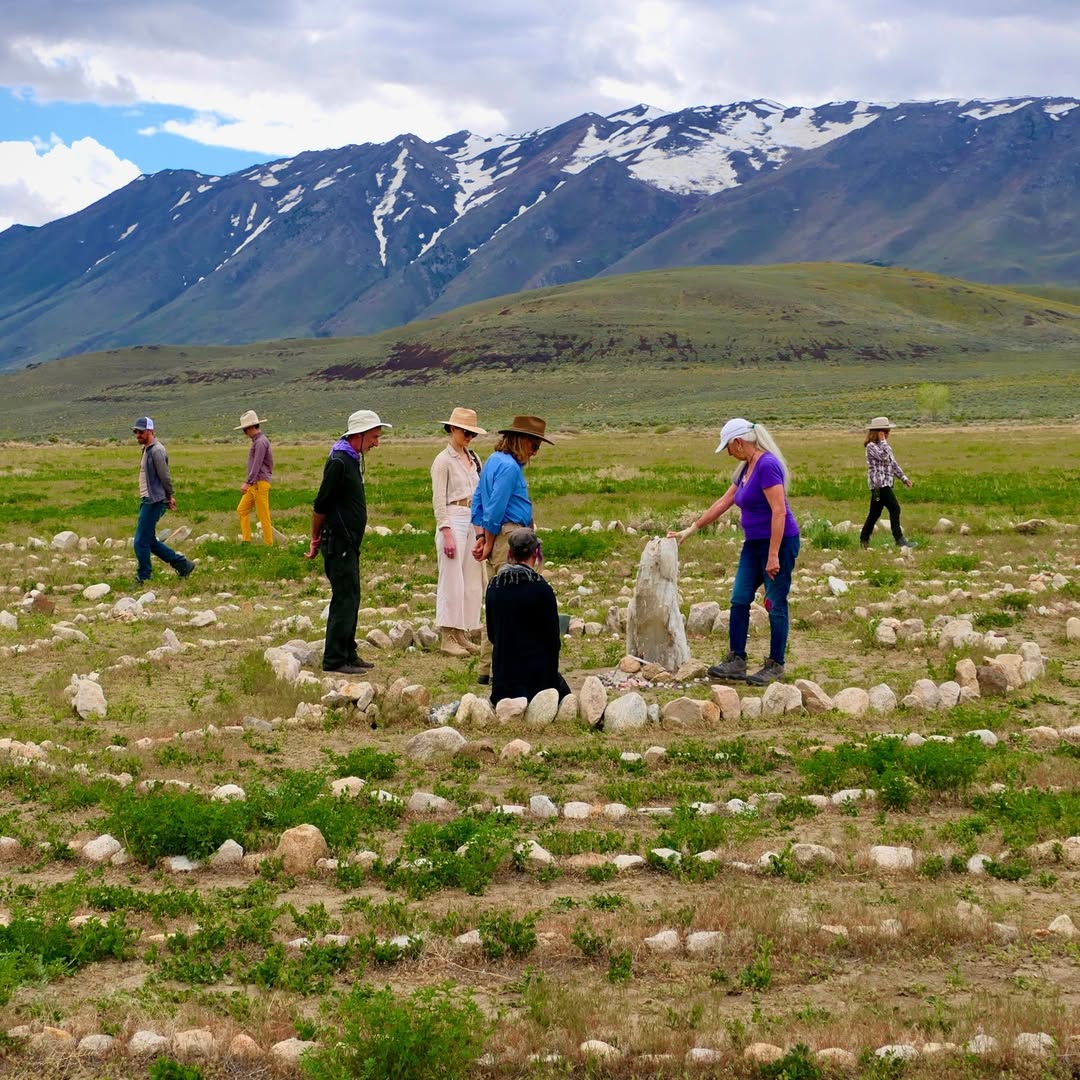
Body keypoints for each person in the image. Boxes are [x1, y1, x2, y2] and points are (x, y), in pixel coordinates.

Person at [670, 418, 800, 686]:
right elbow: (724, 501)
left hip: (778, 542)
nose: (728, 454)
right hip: (753, 544)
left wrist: (773, 554)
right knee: (739, 599)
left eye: (728, 447)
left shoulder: (767, 465)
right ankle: (737, 659)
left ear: (738, 442)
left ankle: (776, 664)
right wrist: (691, 529)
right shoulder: (745, 469)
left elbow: (779, 511)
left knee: (775, 602)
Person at [305, 409, 390, 675]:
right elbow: (321, 504)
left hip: (348, 543)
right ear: (359, 435)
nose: (376, 443)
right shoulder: (339, 462)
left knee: (352, 596)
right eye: (374, 437)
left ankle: (348, 652)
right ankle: (334, 659)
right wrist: (315, 538)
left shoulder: (351, 458)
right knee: (344, 598)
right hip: (338, 542)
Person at [470, 415, 553, 685]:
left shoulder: (494, 461)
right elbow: (495, 508)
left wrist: (481, 536)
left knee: (496, 603)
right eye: (533, 444)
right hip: (509, 536)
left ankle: (487, 667)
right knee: (518, 601)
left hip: (497, 535)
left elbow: (478, 501)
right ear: (520, 440)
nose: (535, 451)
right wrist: (490, 541)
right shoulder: (508, 468)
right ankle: (507, 666)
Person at [485, 527, 570, 706]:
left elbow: (492, 635)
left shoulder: (494, 587)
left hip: (504, 682)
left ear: (510, 553)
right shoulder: (542, 589)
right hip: (537, 683)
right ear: (535, 553)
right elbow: (553, 640)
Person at [431, 407, 486, 657]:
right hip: (453, 516)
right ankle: (447, 636)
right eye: (466, 432)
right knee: (452, 578)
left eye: (472, 433)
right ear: (453, 429)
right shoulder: (443, 460)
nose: (469, 437)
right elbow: (438, 499)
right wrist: (446, 531)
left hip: (473, 517)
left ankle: (462, 632)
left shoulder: (474, 458)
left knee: (471, 579)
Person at [132, 416, 195, 584]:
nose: (137, 435)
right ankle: (183, 565)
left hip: (154, 501)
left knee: (140, 542)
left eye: (141, 432)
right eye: (136, 432)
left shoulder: (157, 451)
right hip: (148, 499)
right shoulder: (147, 449)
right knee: (149, 541)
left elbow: (165, 476)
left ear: (150, 431)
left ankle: (144, 576)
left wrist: (169, 496)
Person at [859, 416, 915, 550]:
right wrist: (883, 441)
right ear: (879, 432)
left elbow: (893, 464)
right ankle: (899, 539)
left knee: (874, 513)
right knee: (895, 508)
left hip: (886, 483)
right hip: (879, 485)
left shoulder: (885, 447)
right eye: (885, 432)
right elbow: (883, 457)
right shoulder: (871, 446)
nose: (888, 434)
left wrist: (904, 478)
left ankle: (864, 539)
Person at [235, 409, 274, 545]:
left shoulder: (260, 442)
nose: (245, 433)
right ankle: (246, 540)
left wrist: (248, 482)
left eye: (245, 430)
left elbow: (257, 464)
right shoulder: (258, 441)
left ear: (251, 428)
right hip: (255, 483)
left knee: (263, 514)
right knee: (242, 510)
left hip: (259, 482)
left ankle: (269, 543)